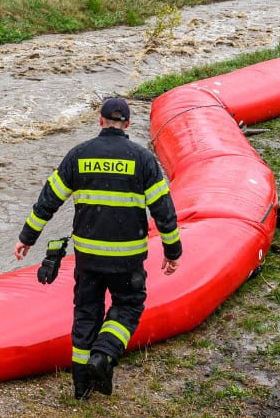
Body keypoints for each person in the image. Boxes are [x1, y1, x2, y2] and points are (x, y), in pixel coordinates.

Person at [13, 96, 183, 400]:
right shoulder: (142, 159)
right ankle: (103, 355)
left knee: (86, 314)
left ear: (101, 120)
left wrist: (28, 237)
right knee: (128, 306)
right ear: (128, 124)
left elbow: (48, 201)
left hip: (88, 258)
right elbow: (164, 211)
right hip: (127, 260)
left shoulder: (79, 156)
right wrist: (173, 252)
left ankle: (81, 387)